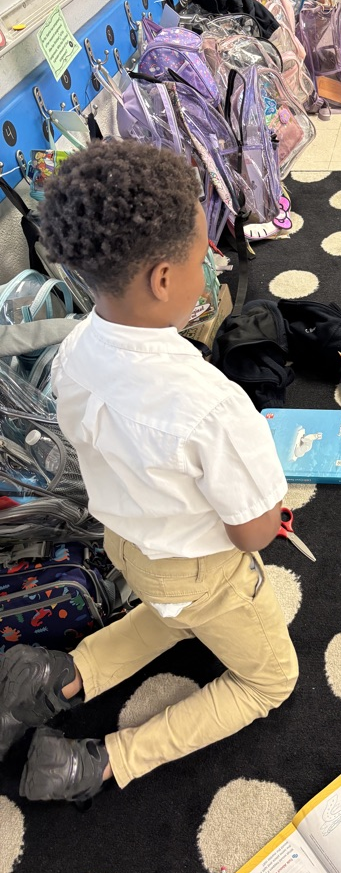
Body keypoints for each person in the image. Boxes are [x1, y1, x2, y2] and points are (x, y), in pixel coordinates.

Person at [0, 142, 298, 801]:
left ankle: (57, 679)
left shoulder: (75, 347)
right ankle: (100, 762)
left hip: (130, 548)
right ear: (164, 280)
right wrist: (270, 514)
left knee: (171, 611)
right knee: (270, 678)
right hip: (198, 570)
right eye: (203, 256)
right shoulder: (214, 405)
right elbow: (251, 534)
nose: (212, 265)